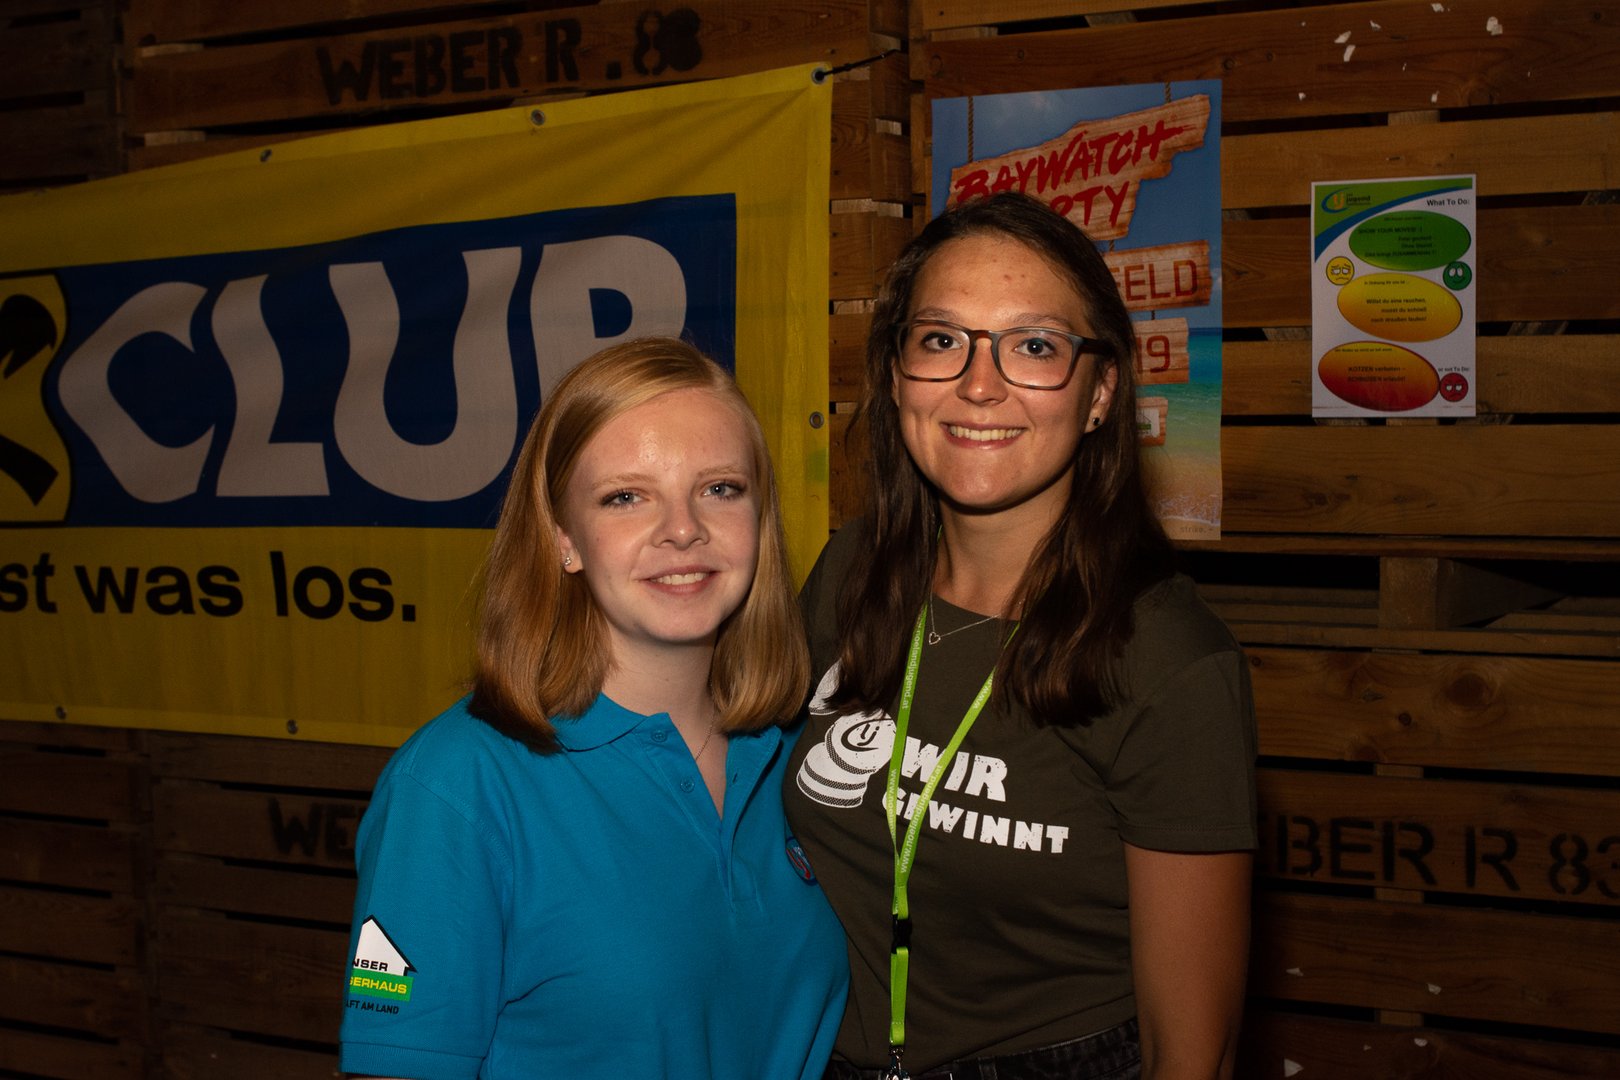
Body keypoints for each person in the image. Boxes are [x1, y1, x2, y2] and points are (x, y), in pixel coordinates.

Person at [785, 193, 1256, 1080]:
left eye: (1034, 346)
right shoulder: (851, 574)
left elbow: (1193, 1052)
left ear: (1099, 392)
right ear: (896, 374)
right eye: (941, 339)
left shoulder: (1170, 663)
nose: (979, 384)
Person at [340, 338, 849, 1080]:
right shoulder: (456, 785)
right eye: (625, 497)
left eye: (720, 488)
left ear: (760, 522)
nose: (683, 528)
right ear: (563, 538)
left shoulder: (798, 754)